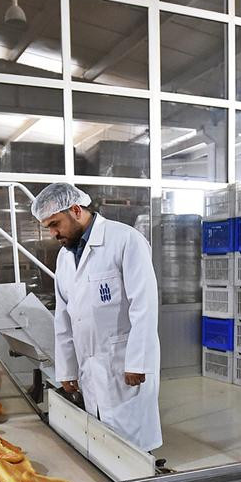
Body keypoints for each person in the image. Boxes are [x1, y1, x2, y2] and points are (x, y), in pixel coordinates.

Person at [35, 183, 162, 451]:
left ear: (76, 210)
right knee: (103, 444)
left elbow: (144, 305)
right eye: (48, 227)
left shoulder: (125, 240)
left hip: (123, 362)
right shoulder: (64, 257)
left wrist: (138, 361)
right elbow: (63, 319)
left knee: (133, 447)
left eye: (55, 224)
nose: (53, 233)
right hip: (90, 366)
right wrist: (66, 369)